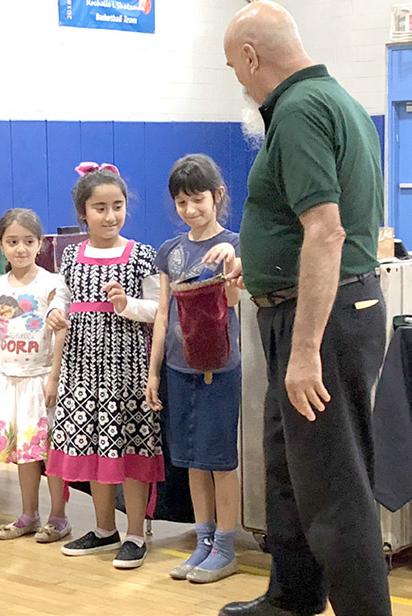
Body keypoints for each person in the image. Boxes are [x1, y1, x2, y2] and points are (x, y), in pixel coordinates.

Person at [221, 2, 391, 615]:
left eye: (234, 68)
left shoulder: (297, 109)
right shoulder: (335, 99)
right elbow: (307, 228)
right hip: (313, 309)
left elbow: (327, 230)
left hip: (319, 320)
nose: (239, 82)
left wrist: (304, 351)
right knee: (291, 470)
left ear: (250, 56)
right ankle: (292, 598)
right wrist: (261, 265)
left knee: (334, 484)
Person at [46, 162, 164, 569]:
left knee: (128, 448)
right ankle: (103, 529)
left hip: (126, 369)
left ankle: (135, 533)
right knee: (94, 448)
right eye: (100, 208)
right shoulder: (71, 256)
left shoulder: (142, 255)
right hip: (81, 368)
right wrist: (55, 313)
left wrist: (126, 305)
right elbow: (62, 296)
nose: (110, 216)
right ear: (83, 212)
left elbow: (158, 310)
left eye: (117, 206)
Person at [146, 154, 241, 583]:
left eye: (197, 199)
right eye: (181, 202)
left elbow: (235, 301)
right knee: (192, 461)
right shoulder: (170, 251)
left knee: (220, 460)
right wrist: (153, 372)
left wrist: (230, 266)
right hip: (178, 368)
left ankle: (225, 545)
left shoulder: (235, 244)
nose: (190, 209)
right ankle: (202, 541)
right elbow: (163, 314)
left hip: (219, 368)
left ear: (217, 196)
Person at [0, 208, 70, 542]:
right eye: (13, 241)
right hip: (10, 381)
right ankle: (29, 514)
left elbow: (60, 335)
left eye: (28, 241)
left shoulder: (51, 283)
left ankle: (58, 516)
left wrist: (54, 379)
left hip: (40, 379)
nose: (21, 248)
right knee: (25, 452)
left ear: (40, 244)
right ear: (1, 245)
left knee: (50, 450)